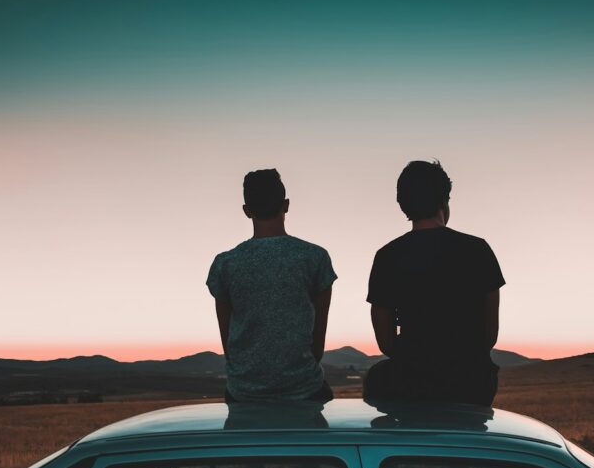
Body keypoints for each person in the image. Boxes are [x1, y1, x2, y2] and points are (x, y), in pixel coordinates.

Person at [365, 160, 505, 406]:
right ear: (445, 200)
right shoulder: (478, 249)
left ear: (402, 205)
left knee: (377, 377)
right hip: (472, 382)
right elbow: (489, 336)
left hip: (411, 381)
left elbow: (386, 342)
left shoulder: (387, 256)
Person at [207, 168, 336, 403]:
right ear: (286, 205)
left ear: (247, 211)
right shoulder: (315, 257)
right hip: (304, 389)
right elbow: (318, 340)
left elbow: (228, 341)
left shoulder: (225, 264)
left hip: (243, 392)